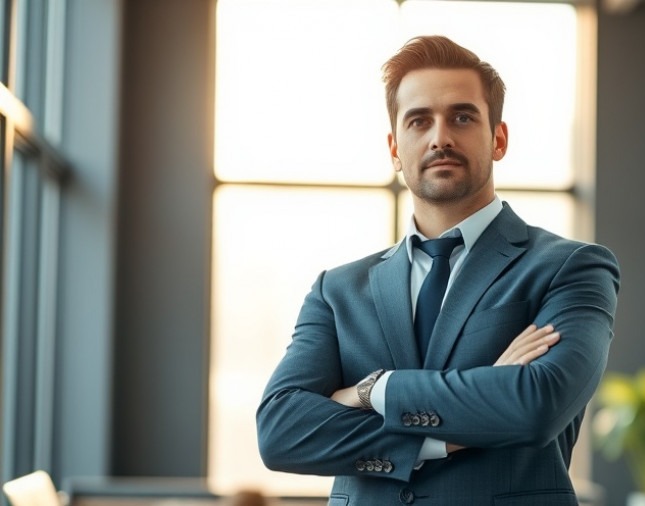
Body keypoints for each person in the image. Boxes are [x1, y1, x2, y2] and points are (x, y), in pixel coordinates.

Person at [256, 35, 620, 505]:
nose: (440, 137)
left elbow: (536, 404)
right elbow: (281, 430)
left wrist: (371, 391)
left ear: (499, 138)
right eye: (419, 120)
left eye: (462, 117)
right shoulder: (338, 290)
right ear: (394, 147)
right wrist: (450, 429)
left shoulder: (570, 267)